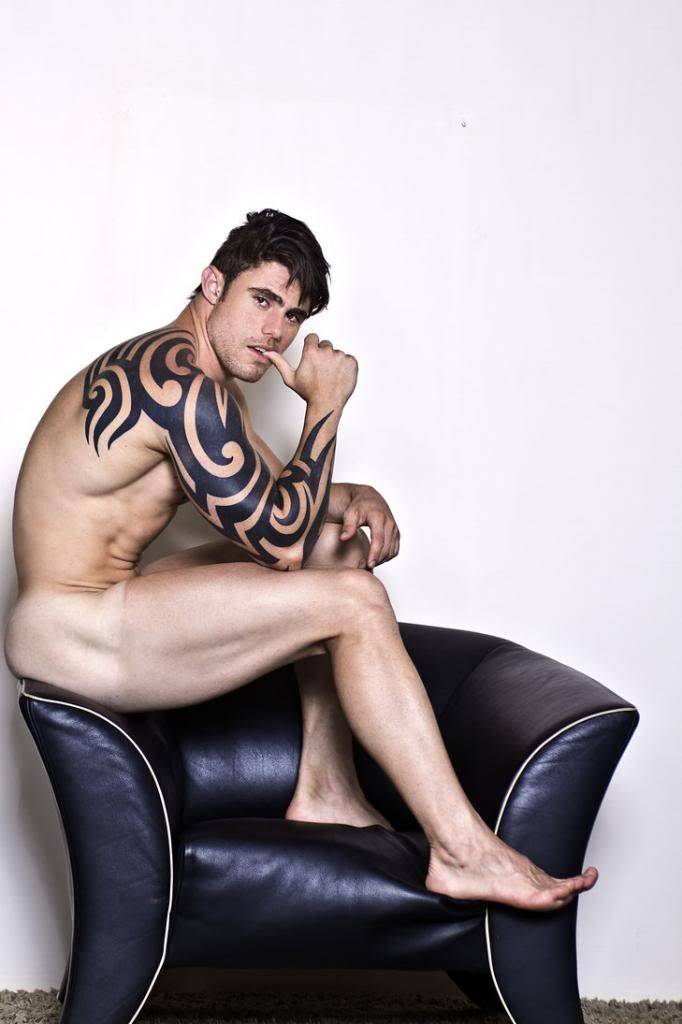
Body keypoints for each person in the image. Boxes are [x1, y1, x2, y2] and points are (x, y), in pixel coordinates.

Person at [4, 207, 598, 911]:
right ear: (213, 283)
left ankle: (327, 787)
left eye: (293, 315)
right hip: (70, 625)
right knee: (355, 602)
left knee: (341, 553)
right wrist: (326, 408)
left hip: (104, 601)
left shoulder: (203, 383)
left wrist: (356, 498)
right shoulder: (181, 386)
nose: (276, 331)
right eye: (262, 300)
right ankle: (462, 849)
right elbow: (282, 539)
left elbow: (279, 501)